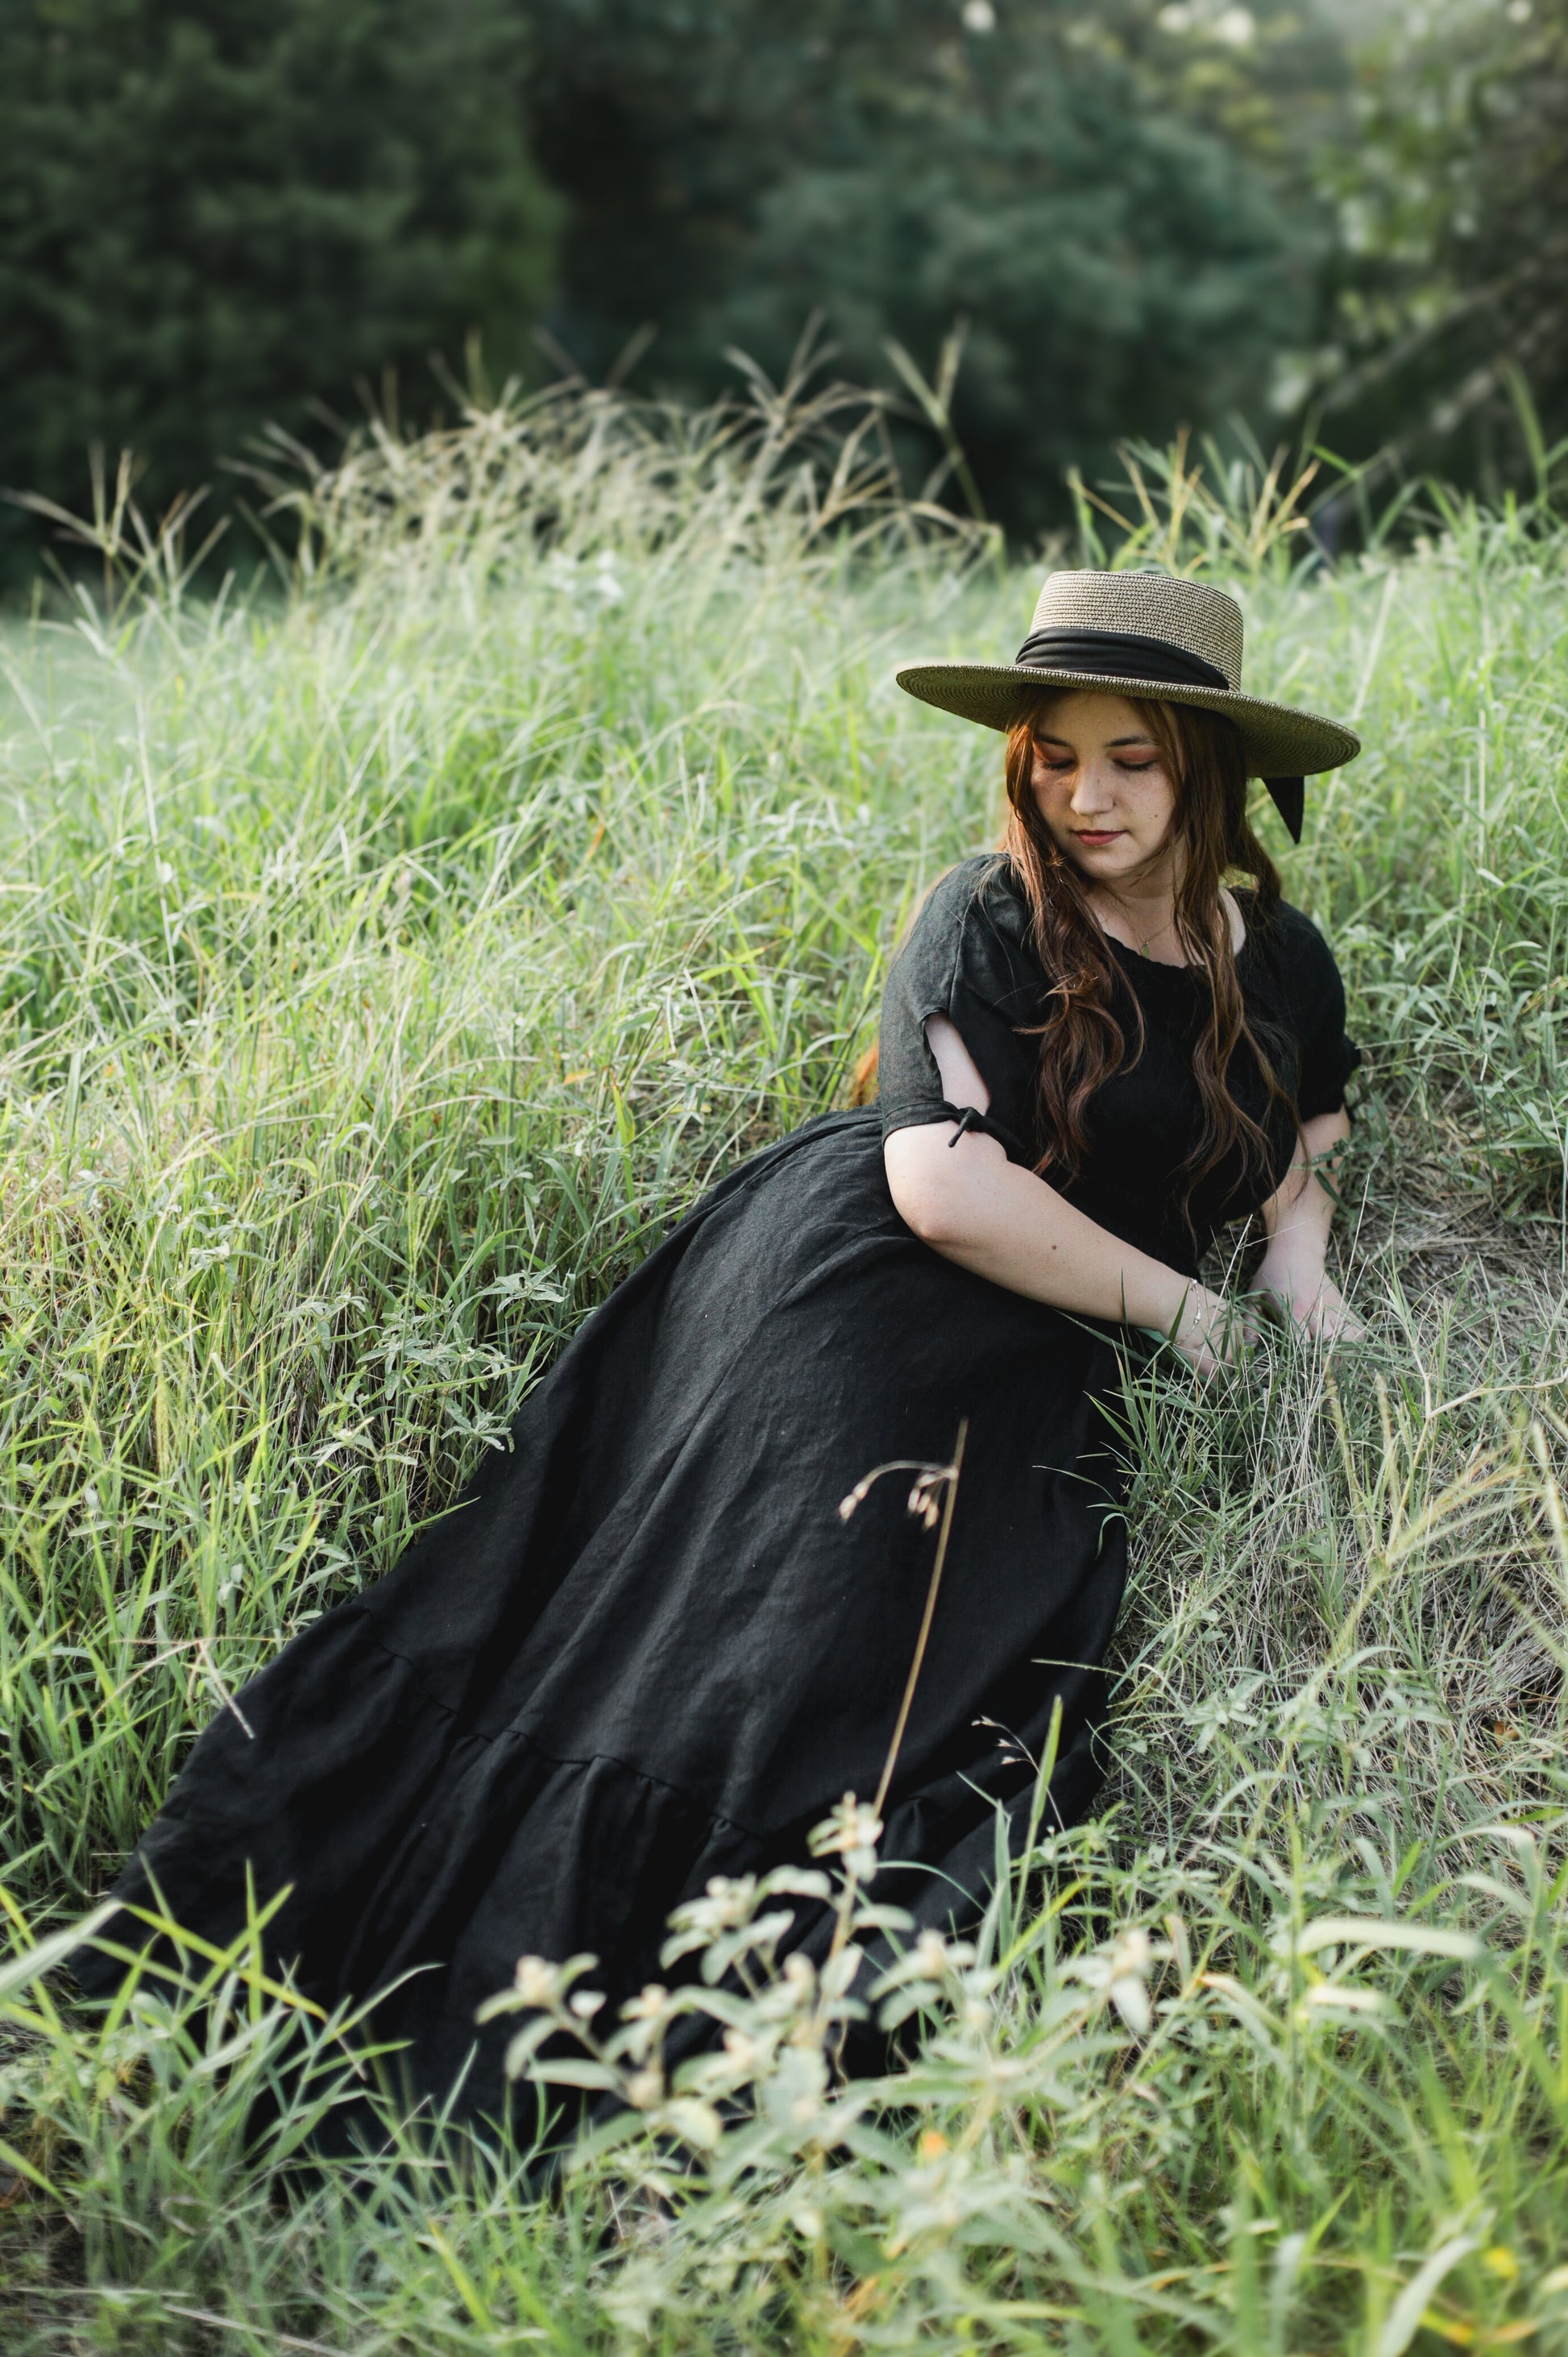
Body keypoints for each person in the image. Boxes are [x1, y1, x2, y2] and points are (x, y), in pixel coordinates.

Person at [74, 569, 1363, 2129]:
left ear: (1203, 764)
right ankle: (481, 1987)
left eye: (1132, 758)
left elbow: (1302, 1119)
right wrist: (1203, 1316)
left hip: (1067, 1325)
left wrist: (1299, 1261)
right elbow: (944, 1185)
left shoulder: (1270, 948)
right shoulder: (990, 912)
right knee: (784, 1617)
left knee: (974, 1661)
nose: (1085, 794)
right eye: (1053, 755)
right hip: (874, 1283)